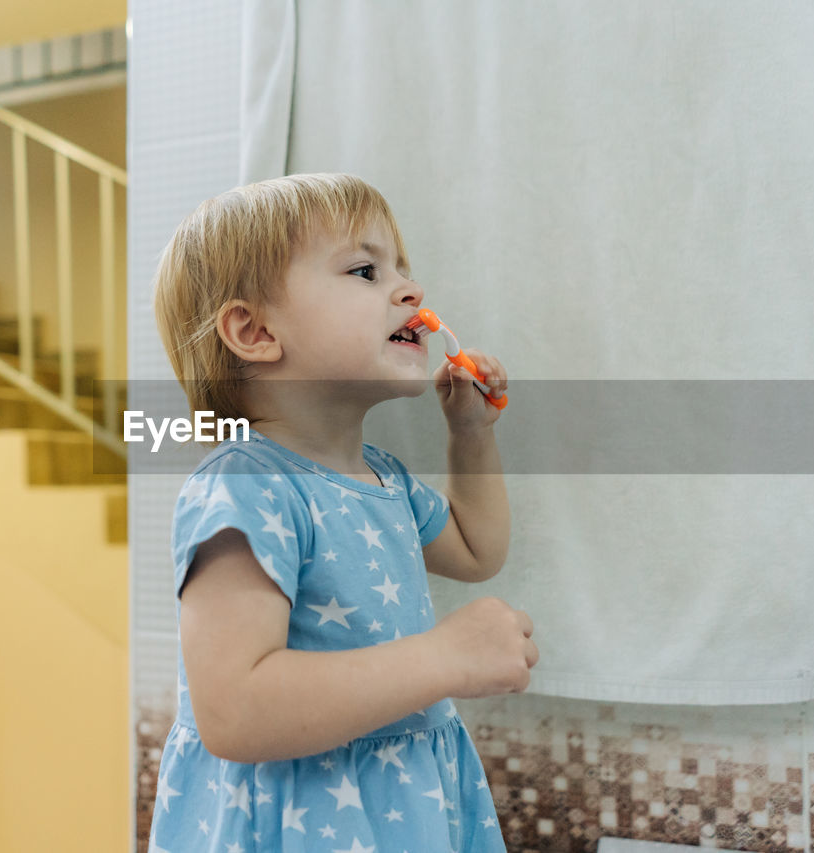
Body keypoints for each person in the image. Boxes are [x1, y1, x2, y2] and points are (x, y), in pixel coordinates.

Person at [147, 173, 538, 852]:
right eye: (365, 269)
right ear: (255, 329)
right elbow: (233, 711)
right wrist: (443, 657)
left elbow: (477, 549)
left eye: (402, 269)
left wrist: (471, 435)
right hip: (301, 824)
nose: (412, 291)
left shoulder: (382, 479)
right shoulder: (245, 486)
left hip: (399, 811)